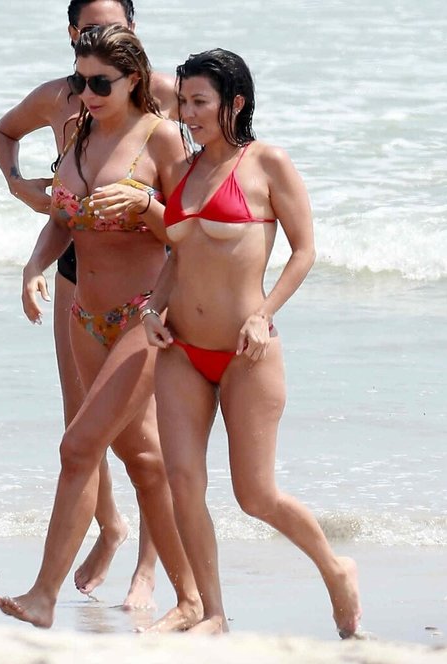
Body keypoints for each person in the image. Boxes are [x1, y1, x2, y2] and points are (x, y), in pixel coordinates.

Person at [141, 48, 362, 637]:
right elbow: (179, 256)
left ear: (235, 102)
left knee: (255, 495)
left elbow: (304, 250)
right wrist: (150, 309)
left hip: (247, 353)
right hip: (181, 350)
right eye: (182, 102)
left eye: (200, 102)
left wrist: (263, 315)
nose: (187, 113)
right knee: (182, 481)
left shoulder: (267, 163)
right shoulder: (184, 169)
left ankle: (336, 569)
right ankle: (212, 612)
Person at [0, 24, 202, 631]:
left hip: (146, 315)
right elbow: (63, 217)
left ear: (134, 78)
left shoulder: (163, 138)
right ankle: (193, 599)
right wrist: (34, 267)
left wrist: (146, 206)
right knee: (142, 459)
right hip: (86, 316)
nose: (85, 93)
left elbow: (193, 234)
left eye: (100, 83)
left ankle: (43, 596)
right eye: (80, 80)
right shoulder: (81, 132)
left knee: (78, 446)